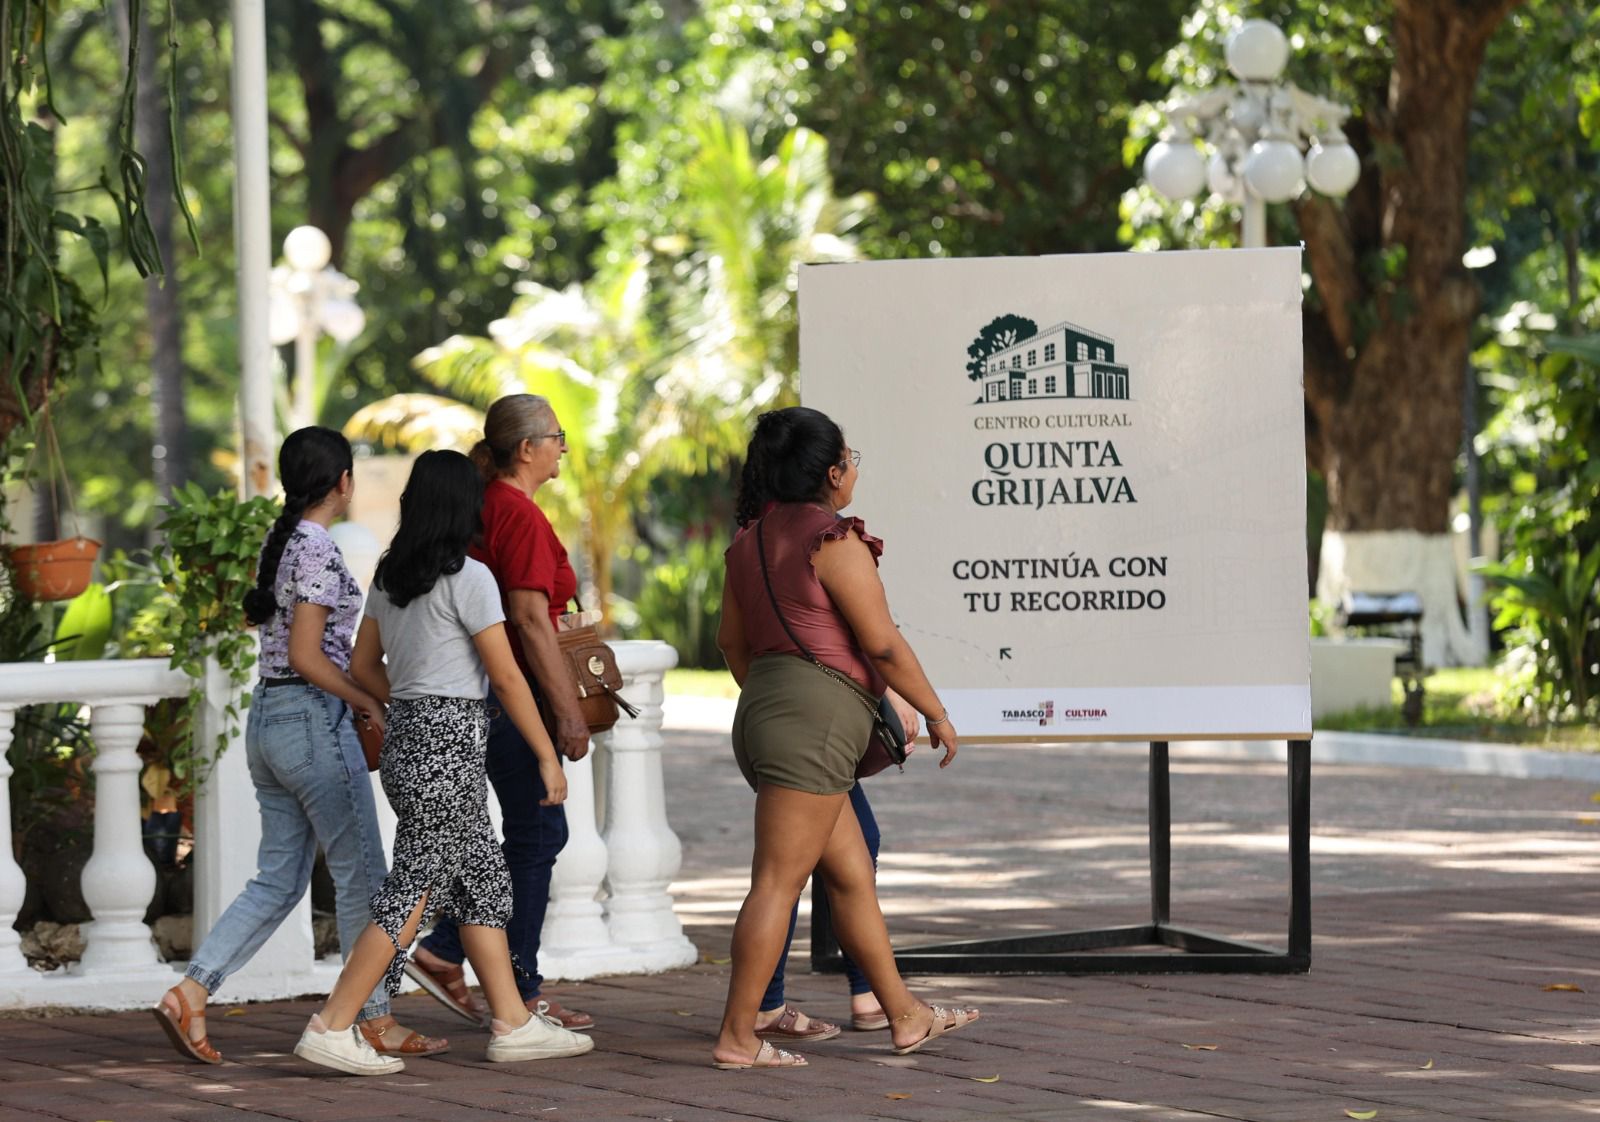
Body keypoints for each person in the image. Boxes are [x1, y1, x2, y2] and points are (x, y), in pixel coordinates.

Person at [293, 450, 594, 1075]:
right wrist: (547, 756)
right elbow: (508, 678)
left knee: (483, 883)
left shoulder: (392, 575)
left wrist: (399, 703)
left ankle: (512, 1022)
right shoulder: (471, 577)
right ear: (467, 507)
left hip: (410, 738)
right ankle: (333, 1025)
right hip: (450, 744)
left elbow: (362, 667)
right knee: (416, 890)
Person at [151, 427, 445, 1065]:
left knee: (280, 878)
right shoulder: (315, 549)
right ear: (342, 482)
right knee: (364, 875)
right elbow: (309, 656)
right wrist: (366, 699)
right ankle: (367, 1022)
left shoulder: (283, 541)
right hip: (312, 720)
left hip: (271, 722)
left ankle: (192, 990)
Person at [713, 406, 981, 1070]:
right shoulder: (833, 539)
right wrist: (937, 714)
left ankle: (905, 1014)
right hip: (814, 718)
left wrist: (780, 704)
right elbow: (882, 645)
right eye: (850, 458)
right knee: (776, 882)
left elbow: (731, 644)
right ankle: (738, 1037)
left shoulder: (747, 542)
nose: (854, 468)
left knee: (852, 874)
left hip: (766, 710)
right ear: (832, 472)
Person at [405, 394, 595, 1031]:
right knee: (538, 834)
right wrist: (565, 715)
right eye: (557, 435)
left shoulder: (489, 504)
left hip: (469, 695)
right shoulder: (516, 512)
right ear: (527, 449)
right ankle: (514, 987)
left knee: (497, 841)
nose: (564, 447)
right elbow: (529, 619)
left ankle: (449, 950)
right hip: (507, 697)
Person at [752, 783, 892, 1045]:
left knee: (859, 840)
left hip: (817, 749)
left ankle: (866, 990)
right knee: (784, 870)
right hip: (807, 749)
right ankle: (764, 1007)